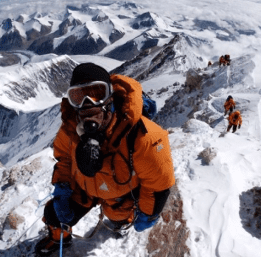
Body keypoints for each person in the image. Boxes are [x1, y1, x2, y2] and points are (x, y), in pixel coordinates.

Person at [35, 63, 175, 256]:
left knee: (116, 217)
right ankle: (59, 238)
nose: (87, 103)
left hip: (122, 192)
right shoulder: (70, 130)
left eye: (96, 93)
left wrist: (148, 213)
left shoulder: (144, 136)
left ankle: (122, 220)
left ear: (110, 96)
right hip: (85, 186)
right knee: (55, 213)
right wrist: (62, 189)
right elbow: (65, 160)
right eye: (78, 96)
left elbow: (157, 184)